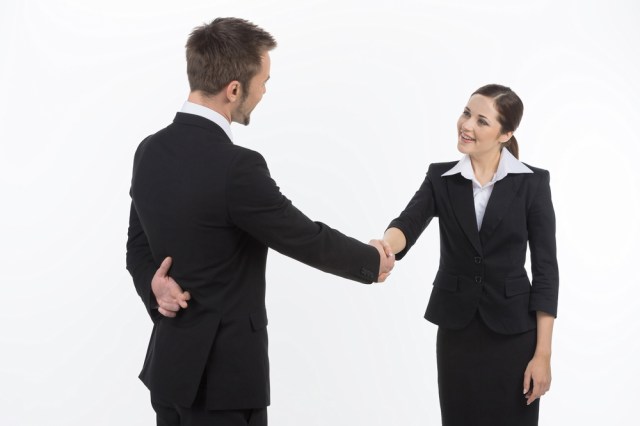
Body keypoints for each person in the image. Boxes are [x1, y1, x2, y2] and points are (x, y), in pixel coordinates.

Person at [126, 18, 394, 426]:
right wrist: (371, 262)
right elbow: (302, 237)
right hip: (224, 384)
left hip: (169, 374)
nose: (265, 91)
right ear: (234, 89)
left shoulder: (149, 150)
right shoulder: (237, 167)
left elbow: (137, 247)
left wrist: (153, 284)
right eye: (264, 81)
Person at [378, 84, 558, 426]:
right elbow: (407, 224)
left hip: (515, 335)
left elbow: (546, 272)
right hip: (457, 333)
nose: (467, 125)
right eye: (466, 113)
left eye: (481, 121)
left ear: (505, 134)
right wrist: (386, 245)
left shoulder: (532, 183)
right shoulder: (441, 178)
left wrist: (543, 355)